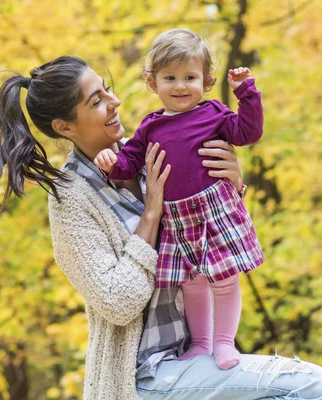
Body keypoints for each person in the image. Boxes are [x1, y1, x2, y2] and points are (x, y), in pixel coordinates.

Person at [0, 55, 322, 399]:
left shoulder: (147, 150)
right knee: (308, 384)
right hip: (145, 376)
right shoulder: (71, 198)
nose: (115, 102)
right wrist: (151, 214)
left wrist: (232, 186)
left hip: (195, 353)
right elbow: (118, 304)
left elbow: (208, 245)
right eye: (97, 100)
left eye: (107, 89)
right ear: (65, 127)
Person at [95, 28, 264, 370]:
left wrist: (247, 94)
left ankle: (224, 343)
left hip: (214, 208)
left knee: (224, 278)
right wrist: (111, 163)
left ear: (207, 81)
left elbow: (248, 133)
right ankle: (200, 343)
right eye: (169, 77)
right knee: (192, 282)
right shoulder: (150, 127)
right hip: (176, 217)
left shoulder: (214, 114)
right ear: (152, 83)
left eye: (190, 77)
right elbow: (130, 162)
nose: (180, 86)